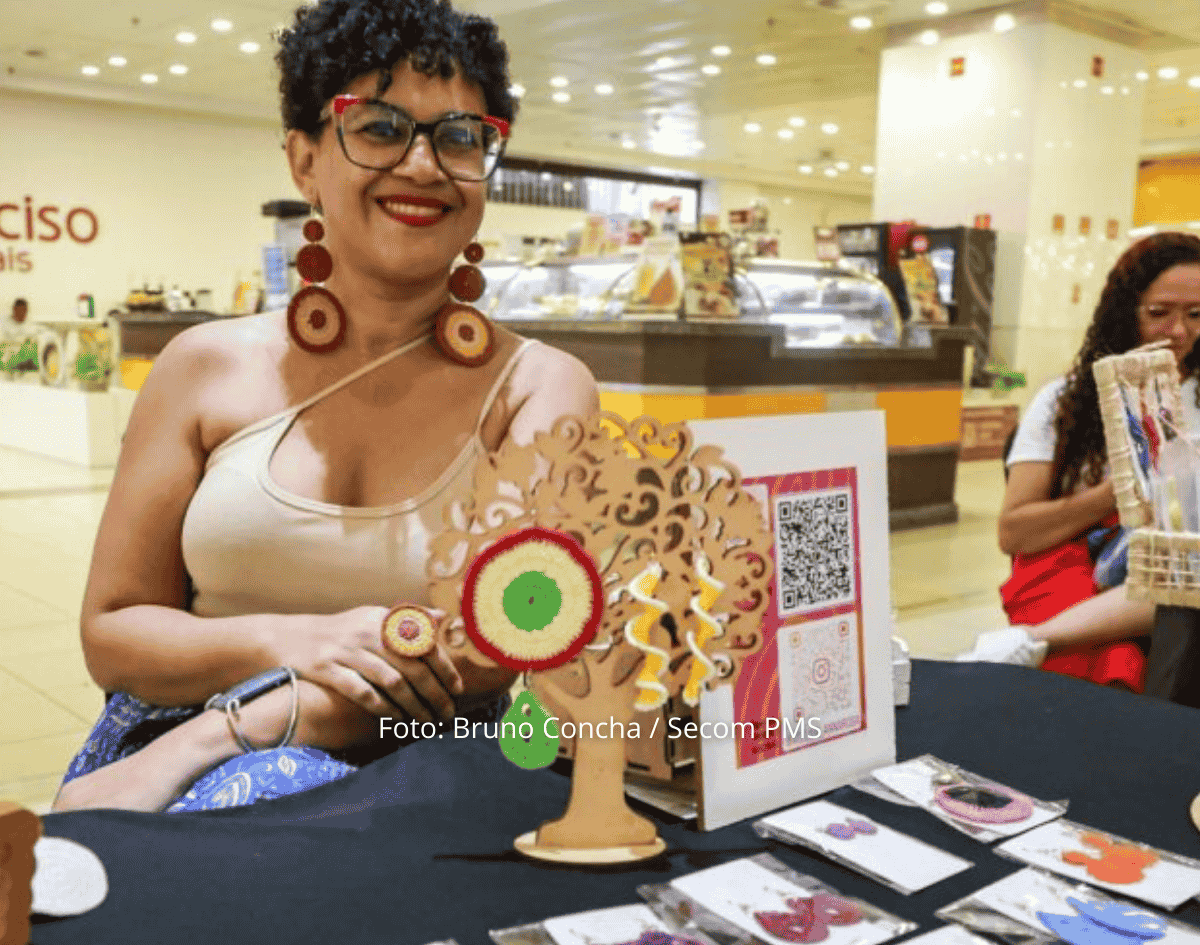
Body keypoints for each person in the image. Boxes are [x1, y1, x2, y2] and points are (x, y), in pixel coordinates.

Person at [53, 0, 598, 813]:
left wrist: (249, 723)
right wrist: (291, 639)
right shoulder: (202, 366)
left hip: (425, 758)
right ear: (303, 158)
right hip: (173, 742)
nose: (423, 165)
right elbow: (116, 630)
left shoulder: (538, 385)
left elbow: (503, 634)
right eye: (379, 127)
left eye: (459, 136)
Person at [959, 232, 1200, 690]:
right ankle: (1033, 641)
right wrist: (1125, 486)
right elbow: (1015, 532)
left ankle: (1028, 642)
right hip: (1104, 558)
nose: (1178, 332)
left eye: (1196, 315)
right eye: (1158, 313)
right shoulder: (1065, 401)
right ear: (1125, 312)